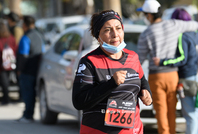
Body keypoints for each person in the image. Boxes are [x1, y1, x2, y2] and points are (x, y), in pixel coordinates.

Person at [72, 9, 152, 134]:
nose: (115, 34)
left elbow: (142, 80)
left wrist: (146, 91)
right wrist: (111, 84)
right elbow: (79, 101)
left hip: (133, 130)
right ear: (98, 36)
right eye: (107, 30)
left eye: (118, 28)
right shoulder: (89, 62)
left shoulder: (133, 57)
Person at [136, 0, 198, 134]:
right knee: (171, 111)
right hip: (173, 76)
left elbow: (139, 59)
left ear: (149, 16)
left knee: (160, 112)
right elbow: (194, 25)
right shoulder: (174, 24)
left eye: (145, 14)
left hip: (156, 76)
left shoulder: (146, 33)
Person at [153, 8, 198, 134]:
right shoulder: (195, 34)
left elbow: (182, 58)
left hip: (186, 78)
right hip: (194, 76)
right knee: (194, 112)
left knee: (189, 114)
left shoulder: (183, 35)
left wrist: (162, 61)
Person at [16, 16, 44, 122]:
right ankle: (29, 114)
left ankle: (28, 115)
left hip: (27, 70)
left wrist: (19, 69)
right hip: (37, 68)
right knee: (32, 93)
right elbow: (42, 51)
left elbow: (23, 55)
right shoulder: (40, 35)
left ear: (24, 25)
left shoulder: (26, 37)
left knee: (27, 93)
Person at [0, 21, 17, 105]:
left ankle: (6, 99)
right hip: (10, 63)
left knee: (4, 82)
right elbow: (15, 49)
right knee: (7, 81)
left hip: (1, 64)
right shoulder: (11, 37)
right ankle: (7, 98)